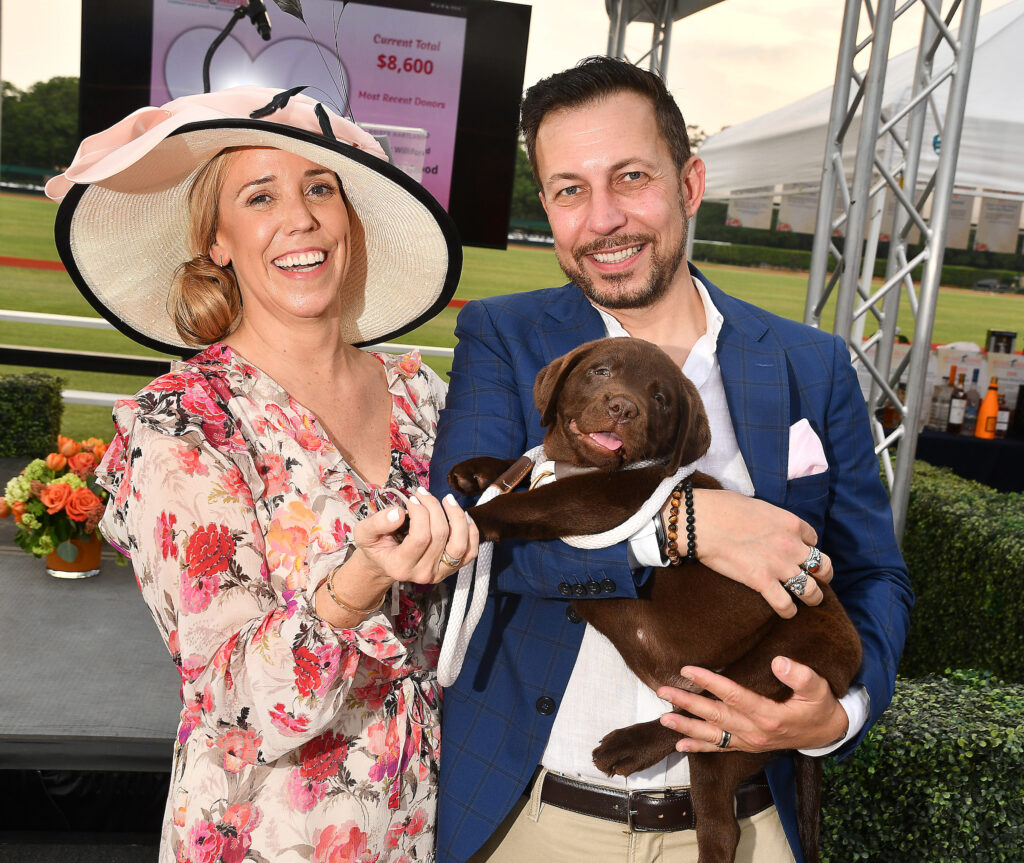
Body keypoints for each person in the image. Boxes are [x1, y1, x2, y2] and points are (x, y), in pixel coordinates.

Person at [429, 57, 913, 863]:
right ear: (547, 205)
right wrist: (678, 525)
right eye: (570, 190)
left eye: (631, 177)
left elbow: (874, 575)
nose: (604, 218)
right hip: (539, 822)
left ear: (688, 184)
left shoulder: (811, 363)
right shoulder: (504, 337)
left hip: (745, 825)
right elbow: (463, 539)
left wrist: (838, 713)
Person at [46, 86, 479, 863]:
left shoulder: (424, 396)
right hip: (264, 835)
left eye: (320, 188)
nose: (301, 217)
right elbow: (233, 699)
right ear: (217, 240)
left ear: (349, 219)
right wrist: (356, 584)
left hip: (422, 826)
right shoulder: (182, 422)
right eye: (260, 195)